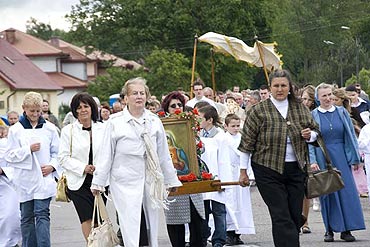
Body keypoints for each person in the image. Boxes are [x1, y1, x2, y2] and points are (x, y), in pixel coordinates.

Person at [91, 77, 182, 247]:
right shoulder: (115, 122)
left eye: (142, 93)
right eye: (134, 93)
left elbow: (162, 153)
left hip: (151, 177)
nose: (139, 97)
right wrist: (98, 182)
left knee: (152, 222)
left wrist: (171, 179)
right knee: (130, 221)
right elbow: (105, 155)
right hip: (124, 179)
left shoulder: (154, 121)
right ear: (125, 98)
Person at [238, 69, 319, 247]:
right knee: (280, 214)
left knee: (293, 214)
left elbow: (316, 133)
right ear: (270, 88)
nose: (280, 89)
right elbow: (246, 144)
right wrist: (243, 172)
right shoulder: (259, 111)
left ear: (290, 87)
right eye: (276, 86)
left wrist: (309, 136)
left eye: (283, 85)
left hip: (296, 169)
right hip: (267, 169)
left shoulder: (300, 108)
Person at [309, 83, 366, 242]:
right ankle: (329, 229)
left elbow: (350, 136)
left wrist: (355, 157)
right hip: (323, 155)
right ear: (318, 98)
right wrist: (313, 161)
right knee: (328, 193)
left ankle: (347, 229)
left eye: (329, 95)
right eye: (323, 96)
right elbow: (310, 141)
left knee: (347, 192)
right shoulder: (313, 115)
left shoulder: (341, 112)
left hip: (341, 154)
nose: (327, 98)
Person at [5, 92, 60, 247]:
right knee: (27, 217)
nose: (35, 114)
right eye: (32, 111)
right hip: (24, 180)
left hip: (44, 179)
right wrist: (27, 150)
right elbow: (9, 155)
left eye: (38, 111)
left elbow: (58, 152)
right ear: (24, 108)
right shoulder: (16, 130)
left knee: (42, 214)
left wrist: (52, 166)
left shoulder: (50, 129)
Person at [57, 92, 107, 241]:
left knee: (99, 219)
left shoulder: (104, 128)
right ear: (75, 111)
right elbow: (63, 157)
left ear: (92, 108)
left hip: (100, 180)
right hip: (78, 182)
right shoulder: (69, 130)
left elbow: (109, 153)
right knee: (86, 218)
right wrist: (82, 167)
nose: (83, 110)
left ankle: (100, 243)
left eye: (86, 106)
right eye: (79, 108)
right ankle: (92, 244)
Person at [161, 91, 206, 247]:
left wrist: (195, 143)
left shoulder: (190, 123)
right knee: (176, 228)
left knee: (199, 227)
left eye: (180, 105)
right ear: (167, 109)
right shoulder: (161, 126)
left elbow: (201, 148)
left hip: (191, 179)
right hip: (172, 182)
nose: (177, 108)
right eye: (173, 106)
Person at [199, 105, 232, 247]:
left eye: (200, 118)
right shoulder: (198, 135)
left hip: (217, 177)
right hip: (203, 178)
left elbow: (224, 160)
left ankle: (219, 239)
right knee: (203, 210)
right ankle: (203, 236)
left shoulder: (220, 137)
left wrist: (222, 181)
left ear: (209, 120)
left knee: (219, 210)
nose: (197, 121)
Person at [223, 114, 255, 245]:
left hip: (240, 173)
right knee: (230, 203)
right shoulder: (222, 139)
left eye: (237, 126)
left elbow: (247, 156)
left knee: (242, 204)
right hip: (228, 174)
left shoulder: (242, 138)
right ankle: (229, 232)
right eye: (233, 126)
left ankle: (238, 233)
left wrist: (250, 173)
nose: (236, 129)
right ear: (226, 126)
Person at [299, 85, 318, 233]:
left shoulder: (314, 115)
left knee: (306, 191)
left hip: (310, 153)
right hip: (297, 154)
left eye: (307, 99)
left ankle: (305, 221)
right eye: (302, 98)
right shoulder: (297, 112)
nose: (304, 101)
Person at [0, 125, 22, 247]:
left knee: (10, 216)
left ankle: (10, 243)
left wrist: (3, 170)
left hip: (6, 184)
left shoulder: (5, 144)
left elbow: (16, 164)